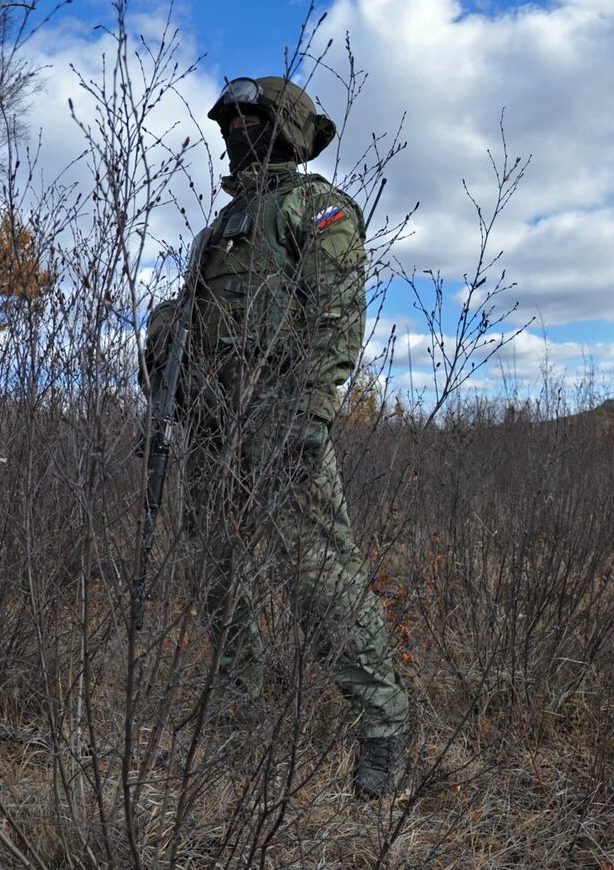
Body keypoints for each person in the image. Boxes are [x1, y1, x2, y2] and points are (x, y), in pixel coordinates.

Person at [143, 75, 408, 798]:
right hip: (212, 426)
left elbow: (336, 313)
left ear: (288, 127)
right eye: (226, 120)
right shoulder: (216, 232)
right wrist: (165, 354)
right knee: (217, 568)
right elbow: (195, 329)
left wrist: (313, 410)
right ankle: (235, 705)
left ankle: (382, 720)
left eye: (250, 118)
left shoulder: (314, 207)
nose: (234, 130)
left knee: (320, 575)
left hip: (283, 420)